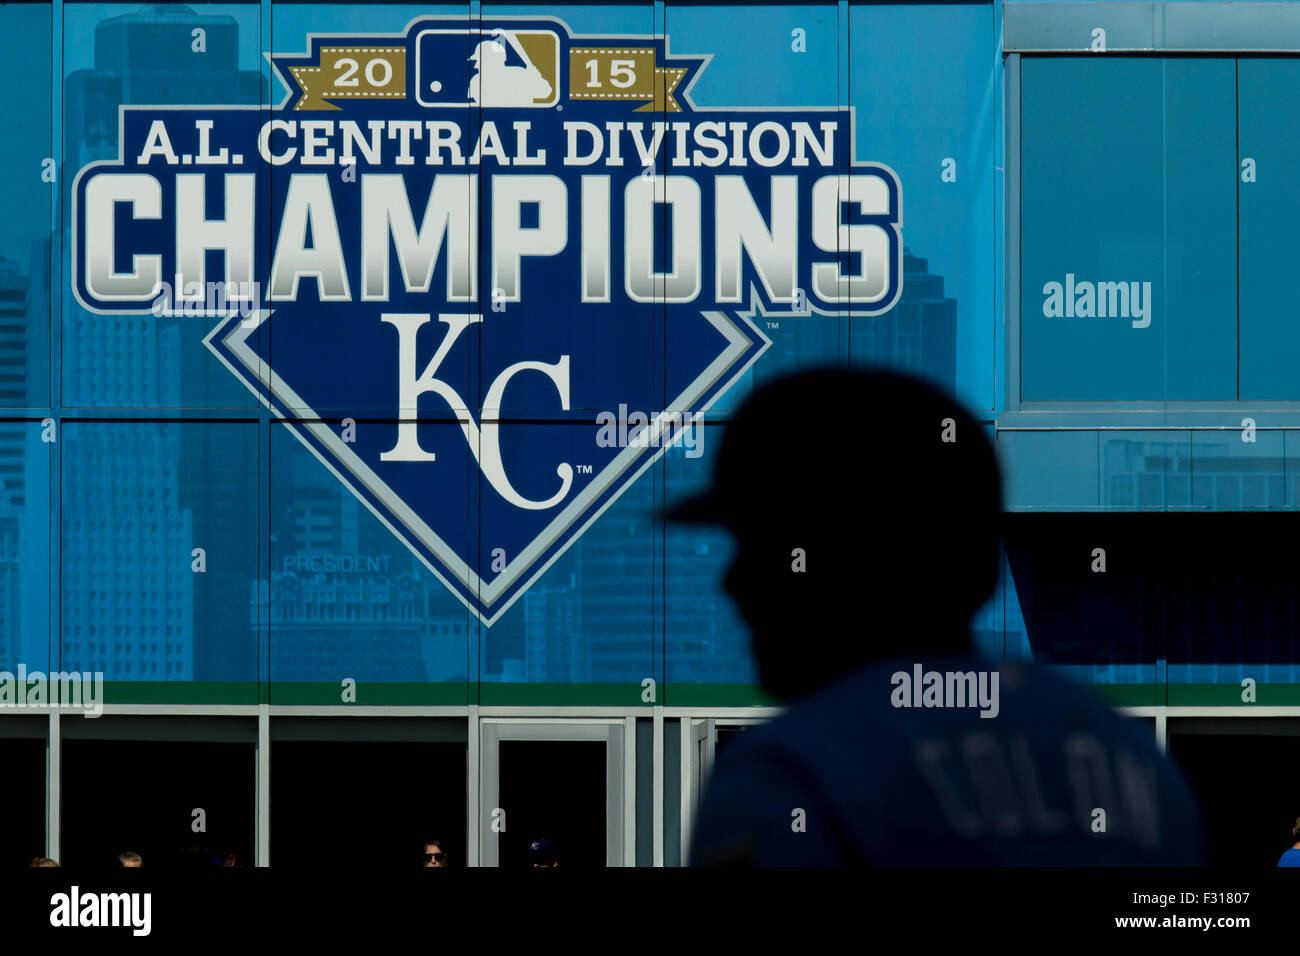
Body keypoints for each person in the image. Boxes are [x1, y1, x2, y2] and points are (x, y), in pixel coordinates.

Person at [669, 367, 1208, 866]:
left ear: (855, 558)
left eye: (762, 543)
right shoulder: (1135, 766)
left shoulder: (795, 774)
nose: (732, 582)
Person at [467, 35, 551, 107]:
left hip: (521, 122)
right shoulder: (476, 81)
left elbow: (545, 92)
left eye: (480, 61)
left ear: (492, 61)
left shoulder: (520, 75)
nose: (475, 66)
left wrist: (536, 78)